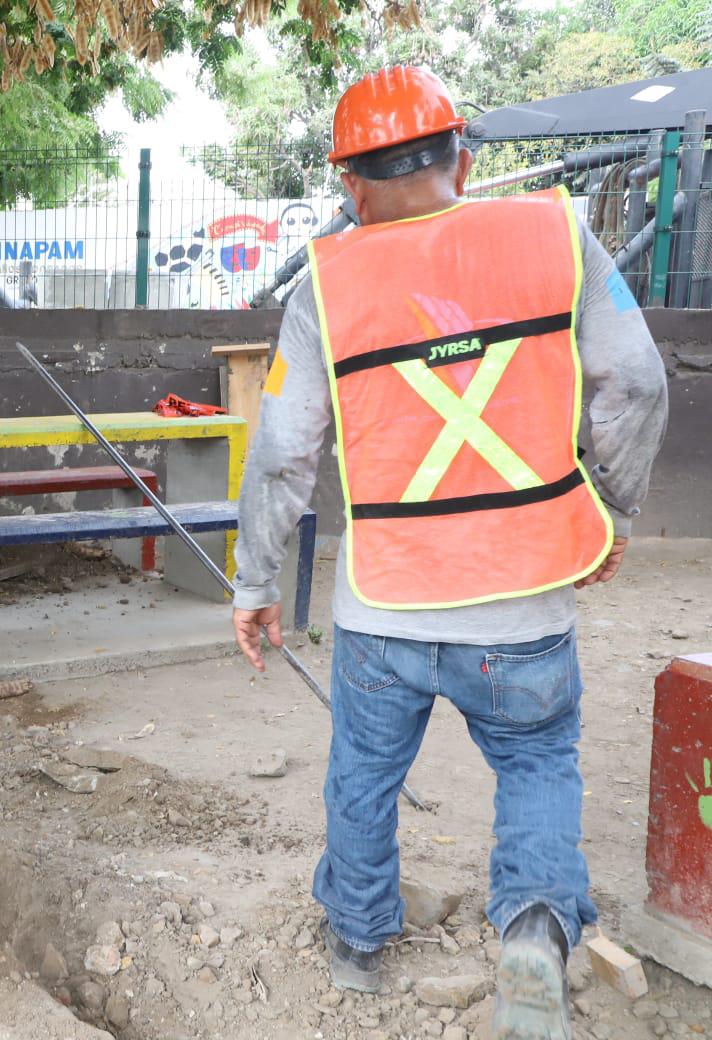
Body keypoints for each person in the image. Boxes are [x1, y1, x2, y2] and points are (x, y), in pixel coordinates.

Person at [230, 66, 668, 1040]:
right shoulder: (556, 237)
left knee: (362, 773)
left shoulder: (325, 284)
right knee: (539, 764)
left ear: (350, 186)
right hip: (524, 604)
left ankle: (355, 940)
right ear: (463, 160)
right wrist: (612, 511)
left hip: (383, 605)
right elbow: (637, 380)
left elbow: (280, 455)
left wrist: (256, 582)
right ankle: (533, 933)